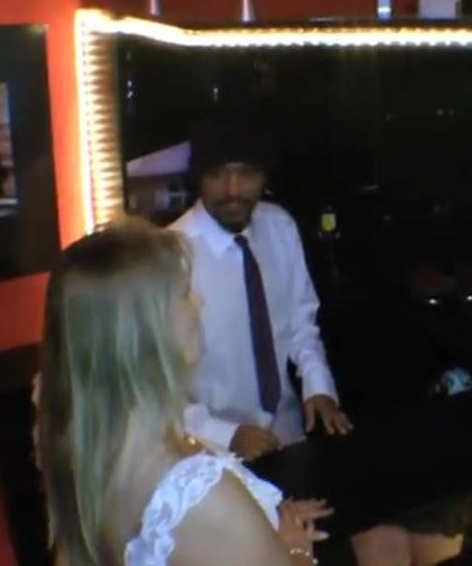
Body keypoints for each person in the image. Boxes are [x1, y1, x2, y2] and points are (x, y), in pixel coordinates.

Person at [36, 220, 332, 565]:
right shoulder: (199, 500)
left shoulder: (90, 446)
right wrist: (295, 548)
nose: (199, 301)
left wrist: (260, 519)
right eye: (184, 292)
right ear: (145, 330)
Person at [171, 125, 352, 460]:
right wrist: (228, 435)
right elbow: (155, 385)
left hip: (288, 434)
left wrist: (319, 388)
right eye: (217, 175)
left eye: (247, 174)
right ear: (198, 178)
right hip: (210, 455)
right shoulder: (170, 255)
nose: (233, 190)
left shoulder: (279, 227)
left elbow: (301, 322)